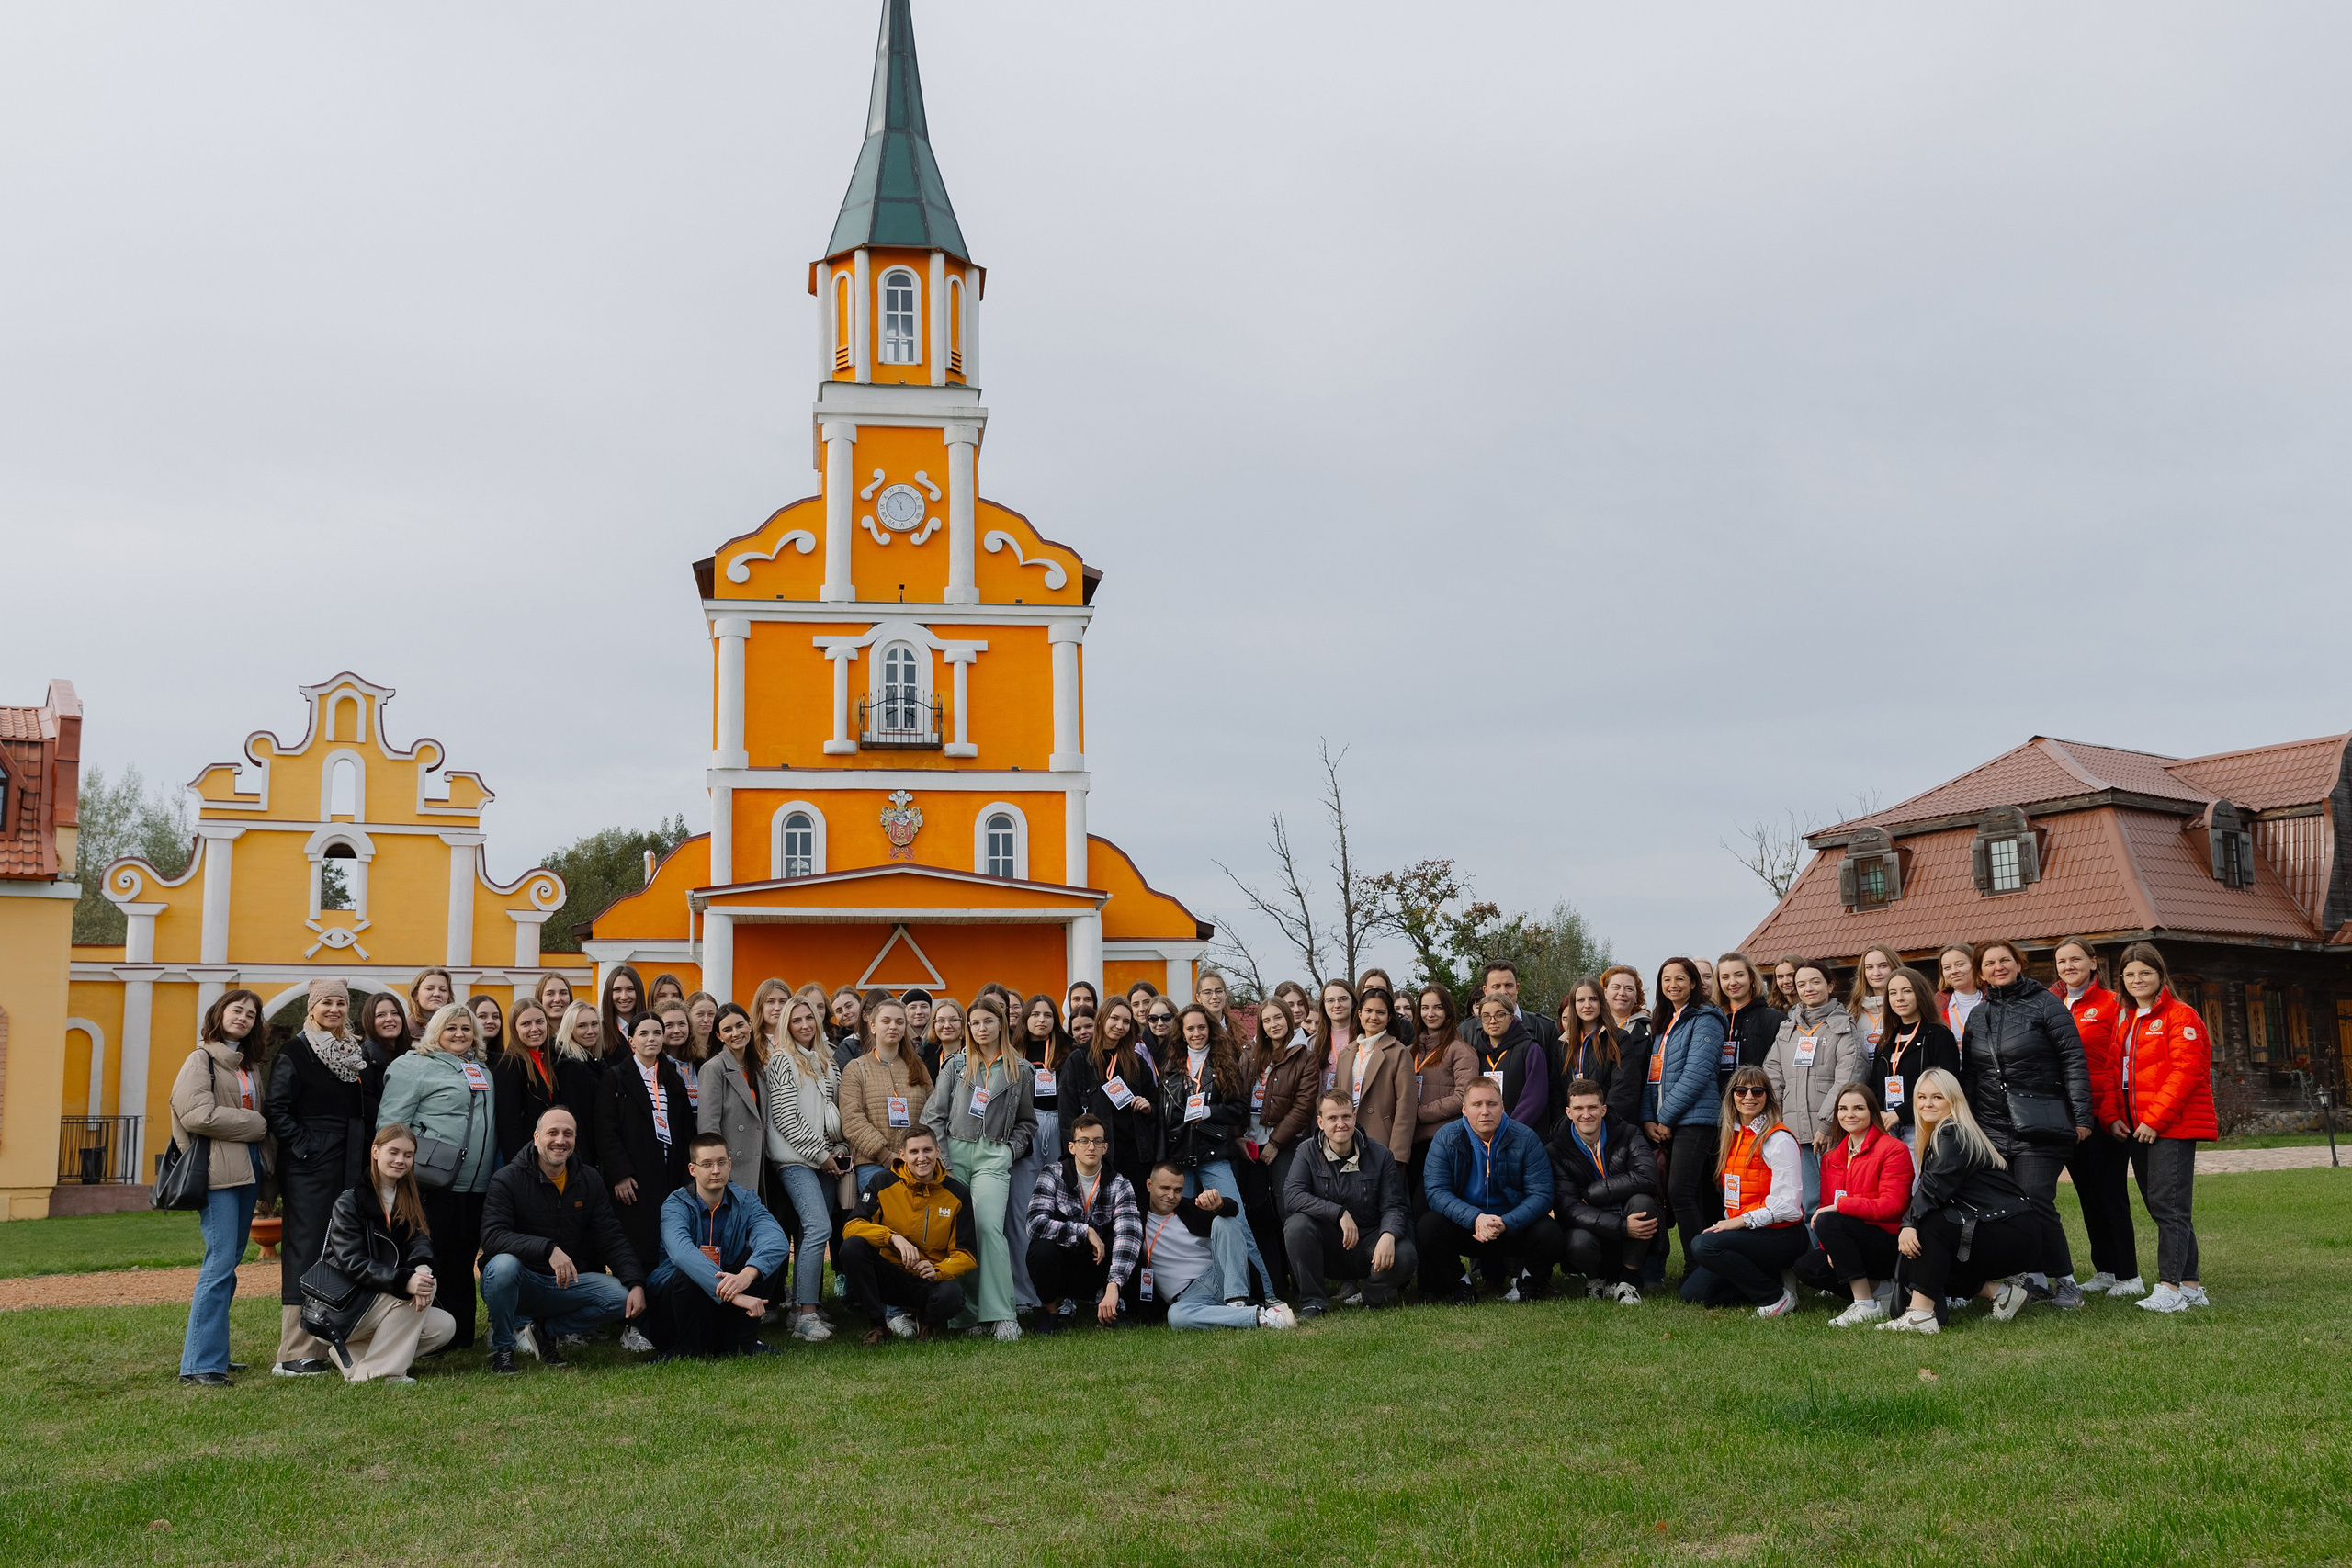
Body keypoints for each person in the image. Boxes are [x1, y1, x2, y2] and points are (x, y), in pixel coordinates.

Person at [1957, 937, 2092, 1308]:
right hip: (1992, 1128)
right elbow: (1970, 1075)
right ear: (1980, 973)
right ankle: (2032, 1280)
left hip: (2041, 1124)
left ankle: (2065, 1280)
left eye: (2005, 961)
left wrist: (2081, 1117)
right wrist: (1966, 1124)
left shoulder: (2046, 1004)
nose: (1997, 968)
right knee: (2009, 1206)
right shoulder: (1979, 1015)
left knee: (2035, 1199)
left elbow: (2074, 1062)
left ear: (2019, 963)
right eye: (1989, 964)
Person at [479, 1106, 648, 1373]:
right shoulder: (507, 1179)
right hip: (520, 1282)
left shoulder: (588, 1179)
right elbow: (493, 1237)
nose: (560, 1140)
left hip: (563, 1283)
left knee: (621, 1297)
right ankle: (504, 1348)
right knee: (502, 1266)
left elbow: (611, 1236)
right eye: (552, 1133)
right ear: (536, 1137)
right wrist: (547, 1249)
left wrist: (636, 1282)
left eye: (568, 1134)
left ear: (575, 1140)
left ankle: (544, 1331)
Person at [1879, 1069, 2046, 1333]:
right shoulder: (1945, 1135)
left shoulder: (1952, 1133)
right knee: (1925, 1255)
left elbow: (1934, 1188)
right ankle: (2002, 1294)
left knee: (1928, 1225)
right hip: (2009, 1231)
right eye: (1921, 1097)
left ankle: (1921, 1316)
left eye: (1937, 1097)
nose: (1927, 1104)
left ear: (1953, 1100)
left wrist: (1909, 1223)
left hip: (2011, 1232)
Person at [263, 976, 369, 1378]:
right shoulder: (296, 1051)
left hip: (349, 1161)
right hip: (310, 1165)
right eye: (326, 1003)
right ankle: (294, 1351)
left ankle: (332, 1339)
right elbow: (277, 1108)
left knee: (341, 1247)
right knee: (306, 1248)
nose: (334, 1010)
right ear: (312, 1007)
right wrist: (307, 1147)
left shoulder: (352, 1054)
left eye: (340, 1004)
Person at [376, 1001, 498, 1351]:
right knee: (432, 1257)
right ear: (435, 1032)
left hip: (476, 1185)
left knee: (462, 1259)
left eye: (465, 1028)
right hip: (431, 1181)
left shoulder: (481, 1069)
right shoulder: (413, 1066)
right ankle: (423, 1334)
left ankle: (458, 1336)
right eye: (451, 1028)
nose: (459, 1034)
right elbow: (391, 1125)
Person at [172, 988, 274, 1385]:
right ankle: (199, 1365)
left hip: (247, 1169)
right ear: (219, 1013)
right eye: (237, 1010)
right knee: (218, 1265)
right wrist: (255, 1124)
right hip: (217, 1174)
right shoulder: (200, 1059)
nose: (244, 1018)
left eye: (251, 1015)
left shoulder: (247, 1066)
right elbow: (195, 1114)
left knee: (228, 1264)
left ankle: (213, 1353)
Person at [303, 1124, 457, 1382]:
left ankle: (352, 1356)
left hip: (377, 1303)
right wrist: (403, 1281)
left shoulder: (407, 1198)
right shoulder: (350, 1202)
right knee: (416, 1288)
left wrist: (421, 1269)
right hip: (340, 1308)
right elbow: (353, 1262)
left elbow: (419, 1241)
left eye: (408, 1155)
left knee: (443, 1326)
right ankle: (378, 1373)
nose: (400, 1160)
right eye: (393, 1152)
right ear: (375, 1151)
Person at [922, 994, 1035, 1339]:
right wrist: (944, 1161)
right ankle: (970, 1317)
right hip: (955, 1158)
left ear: (1001, 1023)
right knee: (962, 1234)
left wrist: (1009, 1152)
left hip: (993, 1158)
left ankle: (1003, 1315)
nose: (981, 1028)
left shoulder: (1021, 1070)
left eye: (987, 1021)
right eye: (974, 1023)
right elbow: (933, 1116)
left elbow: (1027, 1123)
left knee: (988, 1228)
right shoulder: (956, 1066)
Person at [2112, 942, 2216, 1314]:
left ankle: (2169, 1289)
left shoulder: (2180, 1016)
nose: (2137, 979)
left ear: (2160, 975)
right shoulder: (2126, 1020)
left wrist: (2154, 1121)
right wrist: (2114, 1116)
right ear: (2121, 980)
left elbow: (2186, 1073)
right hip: (2137, 1129)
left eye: (2145, 973)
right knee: (2164, 1208)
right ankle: (2191, 1285)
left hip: (2169, 1127)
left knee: (2169, 1208)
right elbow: (2115, 1073)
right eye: (2130, 974)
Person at [1417, 1077, 1563, 1304]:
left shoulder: (1526, 1138)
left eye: (1491, 1104)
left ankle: (1529, 1282)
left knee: (1549, 1231)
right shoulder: (1445, 1137)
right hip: (1468, 1226)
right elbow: (1436, 1192)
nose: (1485, 1111)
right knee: (1429, 1226)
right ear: (1464, 1109)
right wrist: (1476, 1218)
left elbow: (1542, 1195)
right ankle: (1460, 1283)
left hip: (1511, 1226)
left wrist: (1506, 1222)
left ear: (1503, 1107)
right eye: (1477, 1105)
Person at [595, 1012, 694, 1348]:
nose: (652, 1039)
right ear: (631, 1040)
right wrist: (621, 1174)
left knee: (667, 1248)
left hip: (670, 1177)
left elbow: (684, 1132)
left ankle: (664, 1317)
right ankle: (633, 1326)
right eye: (644, 1034)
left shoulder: (674, 1078)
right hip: (634, 1180)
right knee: (637, 1250)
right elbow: (605, 1131)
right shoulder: (616, 1077)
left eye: (657, 1033)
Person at [645, 1134, 789, 1360]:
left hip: (721, 1305)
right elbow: (682, 1253)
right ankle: (685, 1349)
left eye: (721, 1162)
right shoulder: (675, 1204)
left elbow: (776, 1240)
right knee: (687, 1271)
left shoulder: (746, 1200)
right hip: (675, 1308)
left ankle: (741, 1344)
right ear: (693, 1169)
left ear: (730, 1164)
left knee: (761, 1260)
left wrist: (746, 1275)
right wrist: (735, 1295)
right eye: (707, 1164)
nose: (716, 1170)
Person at [1679, 1067, 1808, 1316]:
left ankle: (1775, 1298)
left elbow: (1788, 1206)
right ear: (1732, 1096)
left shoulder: (1778, 1139)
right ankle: (1774, 1279)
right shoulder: (1733, 1136)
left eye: (1757, 1091)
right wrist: (1731, 1222)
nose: (1749, 1096)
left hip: (1782, 1236)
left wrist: (1739, 1222)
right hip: (1750, 1233)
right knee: (1693, 1294)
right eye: (1741, 1090)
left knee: (1704, 1245)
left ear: (1767, 1097)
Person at [2052, 937, 2140, 1298]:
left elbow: (2118, 1061)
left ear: (2093, 963)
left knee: (2110, 1193)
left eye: (2076, 959)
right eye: (2061, 961)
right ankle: (2105, 1268)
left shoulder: (2112, 1003)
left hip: (2103, 1114)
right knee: (2087, 1195)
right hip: (2065, 1117)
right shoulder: (2052, 1004)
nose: (2068, 966)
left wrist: (2110, 1111)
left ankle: (2129, 1274)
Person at [1282, 1092, 1416, 1315]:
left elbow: (1394, 1206)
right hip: (1329, 1245)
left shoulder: (1381, 1154)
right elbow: (1293, 1195)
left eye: (1346, 1117)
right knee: (1297, 1225)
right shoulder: (1306, 1151)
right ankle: (1313, 1302)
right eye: (1332, 1118)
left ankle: (1371, 1296)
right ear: (1320, 1122)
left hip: (1369, 1242)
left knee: (1405, 1254)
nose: (1340, 1124)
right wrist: (1339, 1213)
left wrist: (1388, 1235)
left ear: (1355, 1118)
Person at [765, 997, 852, 1341]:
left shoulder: (828, 1061)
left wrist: (840, 1149)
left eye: (809, 1018)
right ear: (786, 1024)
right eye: (796, 1020)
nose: (804, 1025)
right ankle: (806, 1314)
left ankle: (801, 1310)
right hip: (796, 1159)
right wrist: (820, 1155)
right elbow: (786, 1117)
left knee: (811, 1232)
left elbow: (835, 1112)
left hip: (827, 1159)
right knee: (817, 1227)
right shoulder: (782, 1060)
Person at [840, 1128, 977, 1344]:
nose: (921, 1158)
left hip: (927, 1280)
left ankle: (928, 1324)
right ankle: (879, 1326)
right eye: (914, 1152)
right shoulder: (882, 1182)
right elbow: (852, 1226)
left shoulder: (957, 1194)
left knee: (952, 1296)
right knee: (852, 1248)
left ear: (938, 1151)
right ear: (902, 1155)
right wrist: (892, 1237)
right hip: (889, 1275)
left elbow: (966, 1254)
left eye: (927, 1150)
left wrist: (938, 1271)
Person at [1795, 1084, 1915, 1325]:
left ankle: (1864, 1304)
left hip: (1887, 1243)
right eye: (1843, 1108)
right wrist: (1832, 1248)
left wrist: (1842, 1206)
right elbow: (1826, 1209)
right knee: (1806, 1267)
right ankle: (1882, 1292)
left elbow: (1894, 1206)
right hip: (1848, 1239)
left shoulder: (1894, 1149)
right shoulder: (1832, 1157)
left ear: (1872, 1112)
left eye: (1858, 1108)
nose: (1850, 1114)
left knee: (1830, 1218)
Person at [1642, 956, 1731, 1278]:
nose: (1672, 985)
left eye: (1680, 978)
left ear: (1694, 983)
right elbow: (1653, 1078)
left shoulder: (1706, 1018)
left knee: (1679, 1191)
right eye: (1666, 979)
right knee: (1691, 1194)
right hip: (1668, 1121)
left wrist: (1665, 1116)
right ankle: (1706, 1263)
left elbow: (1698, 1072)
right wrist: (1649, 1118)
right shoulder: (1665, 1022)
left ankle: (1698, 1266)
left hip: (1697, 1119)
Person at [1128, 1164, 1296, 1331]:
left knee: (1227, 1222)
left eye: (1178, 1190)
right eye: (1165, 1188)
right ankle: (1262, 1317)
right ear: (1149, 1185)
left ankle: (1236, 1303)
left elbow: (1233, 1209)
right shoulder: (1135, 1218)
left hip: (1220, 1277)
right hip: (1188, 1297)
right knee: (1176, 1315)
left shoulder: (1189, 1208)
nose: (1171, 1196)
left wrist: (1219, 1204)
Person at [1762, 957, 1867, 1214]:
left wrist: (1827, 1123)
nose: (1808, 988)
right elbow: (1772, 1075)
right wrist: (1774, 1122)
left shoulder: (1843, 1029)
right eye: (1801, 984)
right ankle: (1812, 1255)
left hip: (1830, 1133)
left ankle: (1833, 1253)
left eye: (1815, 982)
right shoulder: (1787, 1029)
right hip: (1792, 1132)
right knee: (1805, 1204)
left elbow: (1849, 1079)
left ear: (1830, 986)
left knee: (1835, 1203)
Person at [1544, 1077, 1661, 1303]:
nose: (1586, 1114)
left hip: (1627, 1213)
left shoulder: (1629, 1133)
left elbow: (1648, 1177)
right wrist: (1622, 1227)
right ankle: (1595, 1279)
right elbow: (1568, 1207)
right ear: (1568, 1112)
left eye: (1592, 1107)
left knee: (1643, 1202)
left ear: (1604, 1109)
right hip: (1592, 1227)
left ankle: (1626, 1283)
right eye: (1578, 1108)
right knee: (1578, 1241)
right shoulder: (1556, 1149)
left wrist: (1592, 1194)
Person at [1023, 1114, 1142, 1333]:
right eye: (1084, 1141)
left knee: (1126, 1241)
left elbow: (1130, 1234)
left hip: (1098, 1268)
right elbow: (1035, 1224)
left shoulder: (1120, 1184)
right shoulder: (1052, 1174)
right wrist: (1084, 1231)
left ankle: (1112, 1305)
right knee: (1040, 1249)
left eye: (1097, 1141)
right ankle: (1050, 1311)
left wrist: (1114, 1284)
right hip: (1064, 1265)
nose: (1091, 1147)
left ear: (1105, 1147)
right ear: (1072, 1147)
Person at [1238, 996, 1318, 1296]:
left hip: (1285, 1146)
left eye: (1278, 1018)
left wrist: (1275, 1142)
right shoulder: (1250, 1054)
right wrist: (1237, 1136)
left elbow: (1303, 1106)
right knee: (1259, 1216)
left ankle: (1306, 1288)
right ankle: (1272, 1287)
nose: (1273, 1025)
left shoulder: (1303, 1056)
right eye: (1267, 1020)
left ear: (1289, 1018)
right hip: (1250, 1146)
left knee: (1290, 1213)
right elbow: (1238, 1096)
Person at [1009, 993, 1073, 1315]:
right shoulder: (1012, 1052)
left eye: (1048, 1015)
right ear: (1025, 1019)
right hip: (1025, 1129)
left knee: (1060, 1210)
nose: (1042, 1020)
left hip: (1059, 1129)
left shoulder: (1066, 1052)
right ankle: (1024, 1294)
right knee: (1022, 1212)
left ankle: (1060, 1293)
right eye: (1035, 1015)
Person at [840, 995, 933, 1194]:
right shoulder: (857, 1068)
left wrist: (917, 1154)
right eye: (886, 1021)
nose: (893, 1026)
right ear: (872, 1026)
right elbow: (852, 1120)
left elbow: (932, 1113)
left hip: (917, 1165)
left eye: (899, 1022)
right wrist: (885, 1155)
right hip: (873, 1165)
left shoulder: (918, 1068)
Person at [495, 999, 601, 1169]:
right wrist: (521, 1169)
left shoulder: (546, 1061)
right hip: (525, 1164)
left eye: (539, 1022)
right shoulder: (511, 1065)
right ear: (515, 1028)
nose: (534, 1029)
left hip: (545, 1161)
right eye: (525, 1024)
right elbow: (508, 1127)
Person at [1408, 987, 1479, 1215]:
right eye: (1426, 1007)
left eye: (1438, 1007)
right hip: (1411, 1141)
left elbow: (1464, 1097)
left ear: (1448, 1011)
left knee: (1425, 1210)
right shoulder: (1410, 1052)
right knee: (1407, 1207)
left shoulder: (1460, 1050)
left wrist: (1418, 1113)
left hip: (1442, 1142)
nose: (1431, 1013)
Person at [695, 999, 769, 1217]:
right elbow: (709, 1128)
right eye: (727, 1030)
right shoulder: (713, 1068)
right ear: (718, 1036)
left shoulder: (758, 1068)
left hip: (758, 1166)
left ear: (749, 1025)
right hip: (731, 1169)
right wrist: (717, 1169)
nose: (735, 1033)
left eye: (739, 1025)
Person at [1082, 998, 1162, 1196]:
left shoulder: (1136, 1061)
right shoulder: (1080, 1058)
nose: (1120, 1026)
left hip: (1135, 1153)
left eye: (1126, 1022)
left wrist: (1149, 1107)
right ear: (1101, 1019)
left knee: (1137, 1208)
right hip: (1097, 1151)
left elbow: (1157, 1105)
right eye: (1114, 1018)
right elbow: (1068, 1112)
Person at [1875, 967, 1960, 1140]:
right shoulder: (1886, 1040)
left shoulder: (1939, 1036)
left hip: (1923, 1126)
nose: (1899, 998)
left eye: (1907, 991)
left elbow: (1945, 1087)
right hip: (1886, 1127)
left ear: (1920, 994)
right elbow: (1874, 1084)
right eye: (1893, 993)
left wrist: (1900, 1113)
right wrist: (1879, 1114)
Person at [1342, 987, 1419, 1158]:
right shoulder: (1346, 1054)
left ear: (1389, 1017)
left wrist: (1398, 1154)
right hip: (1346, 1141)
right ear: (1360, 1014)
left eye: (1380, 1012)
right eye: (1368, 1011)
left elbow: (1406, 1108)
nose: (1374, 1017)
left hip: (1381, 1143)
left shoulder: (1398, 1052)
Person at [1470, 993, 1553, 1138]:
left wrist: (1509, 1129)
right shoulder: (1477, 1053)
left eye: (1500, 1014)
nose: (1493, 1021)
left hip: (1521, 1136)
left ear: (1512, 1017)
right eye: (1486, 1016)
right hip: (1485, 1136)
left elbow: (1535, 1098)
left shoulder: (1531, 1049)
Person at [1454, 960, 1563, 1055]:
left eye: (1508, 985)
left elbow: (1555, 1075)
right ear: (1485, 991)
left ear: (1517, 988)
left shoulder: (1545, 1028)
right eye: (1496, 986)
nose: (1503, 992)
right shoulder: (1466, 1031)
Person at [1715, 952, 1786, 1092]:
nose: (1732, 982)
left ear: (1751, 977)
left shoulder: (1775, 1019)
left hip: (1758, 1099)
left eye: (1739, 975)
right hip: (1720, 1104)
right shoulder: (1715, 1020)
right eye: (1725, 977)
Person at [356, 990, 412, 1137]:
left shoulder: (414, 1056)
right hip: (380, 1140)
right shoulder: (361, 1060)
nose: (389, 1019)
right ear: (369, 1020)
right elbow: (368, 1109)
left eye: (395, 1013)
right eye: (381, 1015)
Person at [1848, 944, 1901, 1062]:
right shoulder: (1852, 1013)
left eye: (1883, 966)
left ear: (1894, 967)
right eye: (1869, 967)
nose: (1876, 973)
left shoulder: (1904, 1007)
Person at [1308, 979, 1357, 1098]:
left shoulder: (1363, 1039)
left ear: (1353, 1002)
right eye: (1330, 1000)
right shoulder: (1312, 1043)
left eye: (1343, 999)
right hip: (1323, 1111)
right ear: (1323, 1005)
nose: (1337, 1005)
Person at [600, 964, 650, 1062]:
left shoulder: (652, 1027)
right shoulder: (600, 1032)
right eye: (617, 990)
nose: (623, 997)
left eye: (630, 989)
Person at [661, 1003, 704, 1116]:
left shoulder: (702, 1065)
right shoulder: (656, 1068)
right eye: (669, 1025)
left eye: (682, 1024)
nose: (677, 1030)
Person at [1936, 943, 1983, 1041]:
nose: (1954, 971)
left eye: (1960, 964)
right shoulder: (1935, 1006)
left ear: (1974, 965)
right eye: (1947, 967)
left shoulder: (1993, 1001)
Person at [920, 996, 964, 1081]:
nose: (947, 1026)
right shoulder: (927, 1066)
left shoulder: (975, 1059)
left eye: (953, 1020)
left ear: (962, 1023)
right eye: (940, 1020)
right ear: (933, 1026)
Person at [828, 987, 866, 1069]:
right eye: (839, 1011)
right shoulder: (834, 1043)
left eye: (849, 1006)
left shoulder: (877, 1033)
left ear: (861, 1003)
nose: (845, 1012)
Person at [407, 967, 456, 1033]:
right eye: (429, 989)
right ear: (415, 994)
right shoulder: (405, 1030)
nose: (437, 994)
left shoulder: (459, 1028)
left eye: (443, 990)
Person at [684, 990, 719, 1060]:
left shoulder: (722, 1048)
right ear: (688, 1016)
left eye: (711, 1014)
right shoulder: (682, 1049)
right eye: (700, 1014)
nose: (706, 1020)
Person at [469, 994, 505, 1060]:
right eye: (482, 1016)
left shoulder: (505, 1061)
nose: (490, 1021)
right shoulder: (463, 1059)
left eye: (495, 1016)